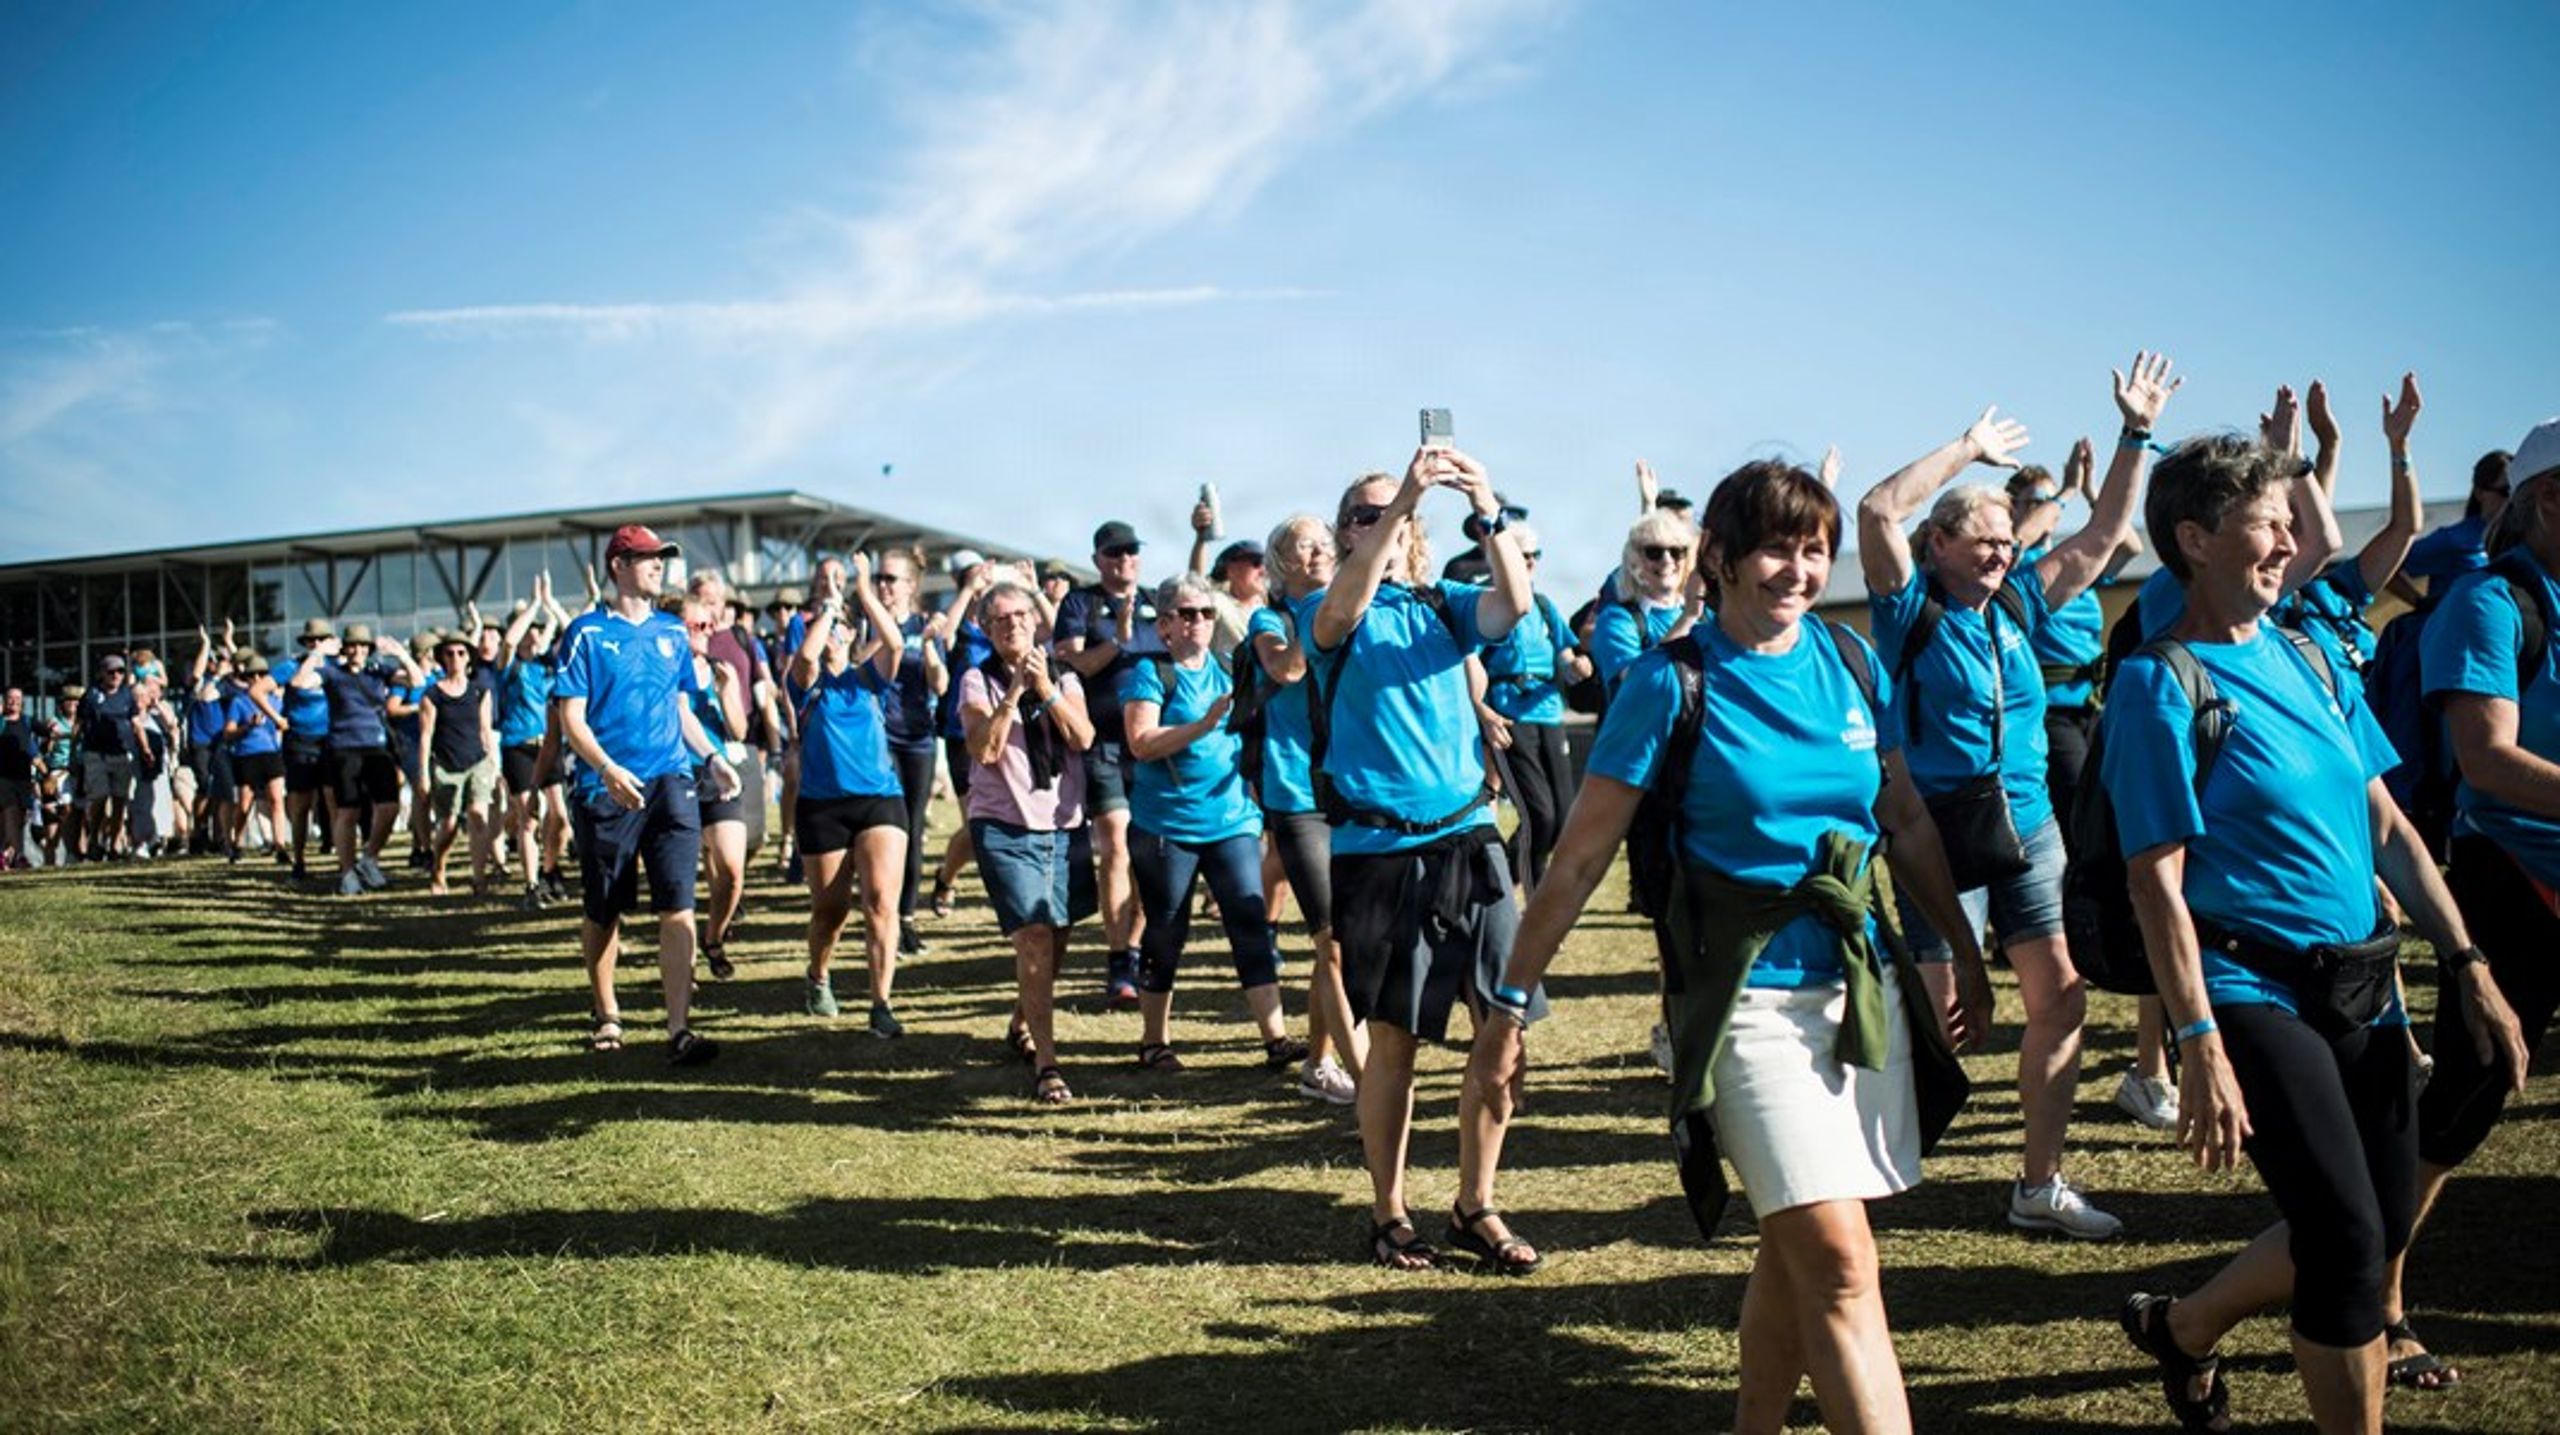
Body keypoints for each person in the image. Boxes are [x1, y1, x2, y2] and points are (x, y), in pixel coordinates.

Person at [1471, 459, 1988, 1433]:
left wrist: (1958, 943)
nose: (1798, 568)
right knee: (1840, 1263)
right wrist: (1507, 1007)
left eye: (1814, 547)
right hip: (1738, 1003)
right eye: (1775, 546)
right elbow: (1577, 861)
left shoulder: (1848, 660)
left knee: (1799, 1248)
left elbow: (1906, 817)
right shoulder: (1671, 683)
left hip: (1854, 987)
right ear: (1721, 556)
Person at [2104, 431, 2521, 1435]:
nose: (2289, 540)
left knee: (2373, 1235)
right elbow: (2154, 884)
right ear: (2195, 539)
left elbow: (2387, 826)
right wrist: (2197, 1041)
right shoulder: (2158, 684)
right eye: (2265, 523)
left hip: (2361, 984)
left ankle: (2183, 1327)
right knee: (2339, 1238)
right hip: (2250, 989)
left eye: (2289, 523)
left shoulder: (2306, 653)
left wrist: (2466, 962)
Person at [1858, 354, 2183, 1241]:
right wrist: (1968, 447)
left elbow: (2109, 526)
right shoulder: (1907, 609)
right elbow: (1877, 509)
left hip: (2032, 825)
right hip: (1938, 828)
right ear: (1940, 546)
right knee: (1942, 1018)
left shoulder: (2021, 608)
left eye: (2010, 540)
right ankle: (1867, 1161)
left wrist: (2135, 432)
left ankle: (2038, 1184)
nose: (2004, 551)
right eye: (1985, 539)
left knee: (2062, 996)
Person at [1305, 447, 1537, 1272]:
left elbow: (1515, 603)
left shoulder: (1445, 604)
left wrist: (1485, 505)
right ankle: (1389, 1208)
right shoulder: (1330, 612)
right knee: (1396, 1041)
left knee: (1504, 1029)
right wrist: (1405, 495)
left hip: (1468, 837)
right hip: (1378, 848)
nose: (1386, 521)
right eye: (1365, 514)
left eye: (1395, 513)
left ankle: (1476, 1202)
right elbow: (1348, 600)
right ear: (1345, 534)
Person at [2385, 415, 2558, 1389]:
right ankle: (2382, 1307)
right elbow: (2487, 761)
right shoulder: (2490, 605)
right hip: (2506, 887)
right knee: (2459, 1105)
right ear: (2547, 498)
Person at [556, 522, 741, 1065]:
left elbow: (682, 709)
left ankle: (679, 1029)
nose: (658, 565)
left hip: (670, 781)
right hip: (606, 787)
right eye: (646, 557)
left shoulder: (670, 632)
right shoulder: (586, 633)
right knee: (605, 908)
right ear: (618, 565)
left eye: (662, 557)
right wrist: (607, 768)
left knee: (678, 906)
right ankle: (607, 1009)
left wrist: (710, 757)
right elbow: (570, 717)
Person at [1118, 572, 1307, 1072]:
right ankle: (1154, 1041)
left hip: (1231, 822)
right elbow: (1141, 742)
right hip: (1166, 825)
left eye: (1205, 612)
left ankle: (1277, 1039)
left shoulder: (1228, 669)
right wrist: (1201, 725)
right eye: (1186, 613)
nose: (1198, 621)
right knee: (1166, 930)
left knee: (1251, 922)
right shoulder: (1150, 673)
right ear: (1164, 626)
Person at [959, 579, 1096, 1102]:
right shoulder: (977, 681)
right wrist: (1014, 691)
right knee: (1035, 937)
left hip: (1062, 823)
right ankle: (1047, 1063)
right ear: (987, 629)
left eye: (1020, 615)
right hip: (1004, 824)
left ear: (1035, 621)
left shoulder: (1063, 675)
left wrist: (1045, 689)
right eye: (1001, 619)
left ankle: (1021, 1021)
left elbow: (1082, 738)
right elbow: (984, 750)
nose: (1013, 624)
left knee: (1056, 942)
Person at [1250, 514, 1364, 1105]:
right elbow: (1288, 668)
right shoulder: (1268, 619)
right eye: (1305, 545)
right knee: (1332, 940)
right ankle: (1373, 1088)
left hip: (1357, 784)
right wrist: (1319, 613)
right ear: (1280, 561)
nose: (1320, 550)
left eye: (1325, 542)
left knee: (1347, 939)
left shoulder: (1359, 606)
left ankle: (1318, 1062)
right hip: (1297, 792)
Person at [789, 553, 911, 1037]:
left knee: (881, 900)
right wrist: (830, 606)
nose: (835, 636)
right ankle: (818, 973)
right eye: (829, 633)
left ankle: (881, 1003)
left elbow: (896, 641)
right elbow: (803, 658)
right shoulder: (805, 687)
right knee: (831, 910)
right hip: (822, 805)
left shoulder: (868, 681)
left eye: (842, 631)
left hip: (879, 798)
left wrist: (863, 588)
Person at [1056, 519, 1171, 1005]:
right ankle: (1118, 958)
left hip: (1148, 746)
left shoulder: (1153, 601)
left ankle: (1136, 948)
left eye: (1131, 552)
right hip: (1101, 744)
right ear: (1099, 557)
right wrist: (1119, 640)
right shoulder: (1081, 603)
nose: (1125, 560)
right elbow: (1072, 664)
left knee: (1148, 853)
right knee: (1118, 848)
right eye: (1115, 552)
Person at [1466, 521, 1589, 893]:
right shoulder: (1485, 604)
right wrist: (1479, 708)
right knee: (1539, 814)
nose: (1532, 562)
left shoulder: (1544, 605)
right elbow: (1468, 660)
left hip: (1549, 712)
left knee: (1565, 817)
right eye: (1524, 555)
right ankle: (1531, 902)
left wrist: (1578, 666)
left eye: (1536, 554)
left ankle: (1491, 882)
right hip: (1510, 715)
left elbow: (1565, 657)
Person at [291, 624, 423, 896]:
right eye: (352, 646)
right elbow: (299, 683)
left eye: (363, 646)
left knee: (389, 807)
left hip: (376, 748)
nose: (358, 651)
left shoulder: (378, 672)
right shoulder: (332, 673)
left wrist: (402, 654)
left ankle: (369, 859)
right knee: (348, 811)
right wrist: (317, 654)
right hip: (343, 748)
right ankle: (348, 872)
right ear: (344, 648)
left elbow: (418, 681)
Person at [865, 550, 941, 958]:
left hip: (918, 740)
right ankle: (882, 916)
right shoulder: (866, 622)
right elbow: (855, 667)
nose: (884, 585)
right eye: (879, 578)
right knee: (885, 831)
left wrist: (929, 646)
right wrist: (884, 632)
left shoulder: (926, 626)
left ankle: (906, 919)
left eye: (892, 579)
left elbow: (941, 684)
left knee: (912, 830)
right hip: (878, 740)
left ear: (911, 585)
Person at [677, 594, 752, 979]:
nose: (707, 632)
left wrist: (726, 693)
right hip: (677, 774)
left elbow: (739, 731)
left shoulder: (722, 669)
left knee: (732, 870)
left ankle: (714, 936)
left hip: (720, 775)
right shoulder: (669, 672)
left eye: (709, 625)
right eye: (697, 625)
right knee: (683, 877)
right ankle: (683, 960)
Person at [494, 578, 569, 907]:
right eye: (530, 628)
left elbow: (573, 634)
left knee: (560, 818)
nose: (535, 633)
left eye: (540, 628)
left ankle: (550, 868)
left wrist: (550, 603)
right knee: (529, 817)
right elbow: (508, 642)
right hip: (518, 745)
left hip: (548, 745)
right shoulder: (511, 666)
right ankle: (531, 883)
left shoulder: (548, 665)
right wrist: (532, 607)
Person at [418, 632, 500, 897]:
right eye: (450, 653)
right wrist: (423, 775)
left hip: (477, 762)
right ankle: (438, 866)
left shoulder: (480, 691)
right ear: (442, 657)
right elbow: (425, 736)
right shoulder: (432, 695)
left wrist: (494, 764)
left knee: (478, 816)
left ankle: (478, 878)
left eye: (461, 653)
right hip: (446, 766)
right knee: (449, 826)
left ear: (469, 657)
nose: (456, 658)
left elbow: (486, 729)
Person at [1589, 508, 1704, 695]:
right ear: (1634, 561)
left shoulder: (1705, 615)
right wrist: (1687, 618)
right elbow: (1636, 682)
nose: (1667, 561)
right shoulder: (1617, 620)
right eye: (1654, 552)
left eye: (1676, 552)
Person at [273, 618, 340, 879]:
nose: (316, 644)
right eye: (312, 640)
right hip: (300, 741)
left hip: (330, 740)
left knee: (334, 800)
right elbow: (260, 690)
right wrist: (277, 718)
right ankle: (299, 861)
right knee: (300, 805)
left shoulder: (336, 667)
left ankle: (342, 860)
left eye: (321, 640)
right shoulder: (291, 666)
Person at [72, 654, 146, 861]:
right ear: (102, 673)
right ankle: (95, 837)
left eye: (120, 671)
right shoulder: (91, 695)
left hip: (120, 752)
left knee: (120, 799)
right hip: (95, 753)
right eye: (111, 671)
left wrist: (145, 748)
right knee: (100, 796)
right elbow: (79, 724)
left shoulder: (126, 695)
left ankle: (115, 843)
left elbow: (136, 723)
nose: (116, 675)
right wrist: (72, 751)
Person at [228, 652, 288, 860]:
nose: (256, 679)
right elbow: (228, 732)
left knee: (276, 800)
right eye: (252, 675)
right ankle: (236, 844)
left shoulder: (276, 701)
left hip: (271, 752)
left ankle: (280, 845)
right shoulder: (239, 702)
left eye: (261, 675)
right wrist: (248, 726)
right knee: (245, 803)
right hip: (247, 753)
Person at [0, 688, 35, 869]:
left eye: (17, 698)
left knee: (19, 818)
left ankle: (7, 854)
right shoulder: (0, 722)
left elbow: (41, 732)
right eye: (10, 698)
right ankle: (18, 855)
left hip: (22, 777)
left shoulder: (27, 721)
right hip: (3, 777)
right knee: (10, 812)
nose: (13, 701)